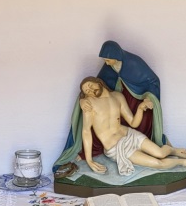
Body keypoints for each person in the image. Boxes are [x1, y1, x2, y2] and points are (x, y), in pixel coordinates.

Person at [53, 41, 167, 173]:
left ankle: (169, 151)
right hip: (114, 140)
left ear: (116, 56)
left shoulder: (134, 64)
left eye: (108, 60)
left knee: (155, 147)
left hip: (135, 102)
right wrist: (82, 100)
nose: (106, 64)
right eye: (105, 61)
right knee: (155, 161)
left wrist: (149, 98)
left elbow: (152, 81)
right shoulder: (96, 92)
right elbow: (86, 129)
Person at [77, 77, 186, 176]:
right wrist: (89, 160)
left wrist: (140, 108)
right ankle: (182, 162)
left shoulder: (118, 96)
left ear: (98, 82)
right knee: (158, 163)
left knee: (161, 153)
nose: (89, 90)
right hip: (117, 147)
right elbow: (86, 131)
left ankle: (172, 150)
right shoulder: (89, 104)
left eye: (89, 85)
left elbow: (133, 123)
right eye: (86, 91)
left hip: (130, 135)